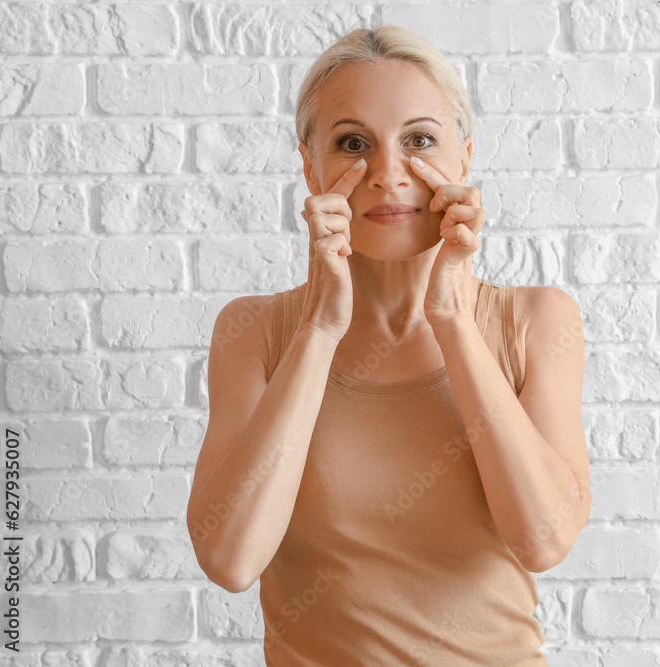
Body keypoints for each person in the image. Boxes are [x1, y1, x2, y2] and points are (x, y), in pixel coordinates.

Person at [186, 22, 590, 666]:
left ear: (464, 158)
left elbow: (543, 541)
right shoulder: (256, 333)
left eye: (420, 140)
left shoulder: (534, 320)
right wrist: (319, 329)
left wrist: (452, 318)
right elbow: (230, 561)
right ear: (309, 164)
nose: (387, 173)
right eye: (353, 144)